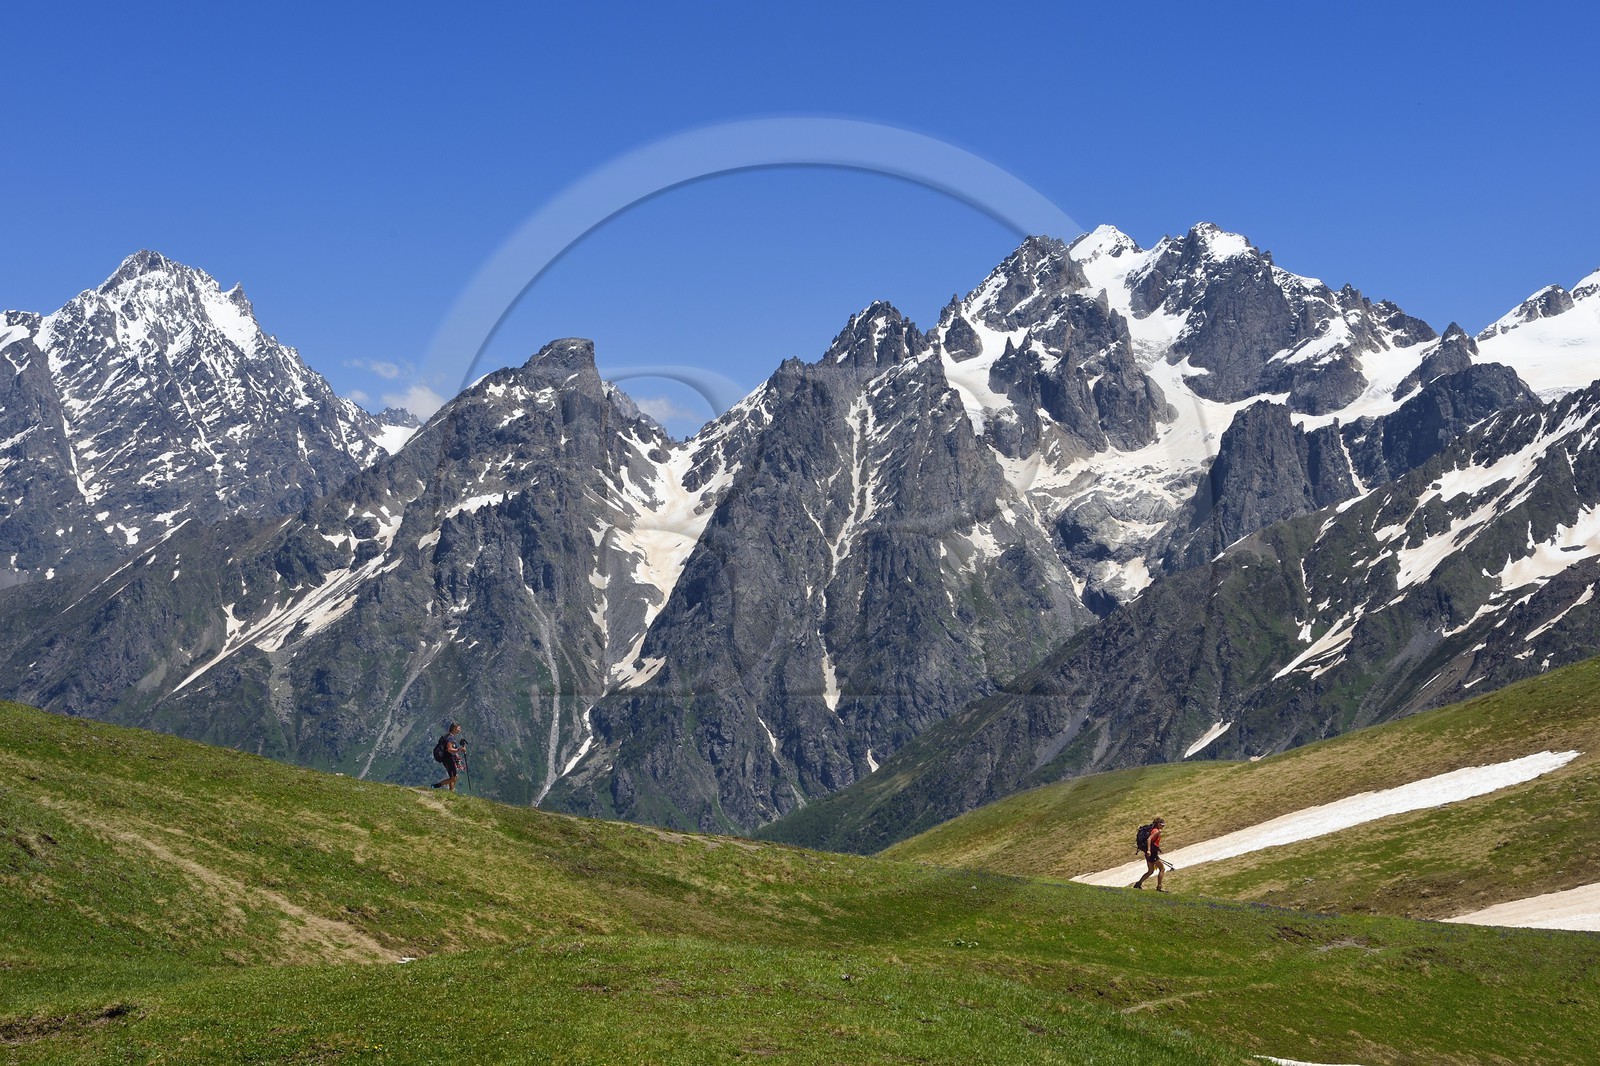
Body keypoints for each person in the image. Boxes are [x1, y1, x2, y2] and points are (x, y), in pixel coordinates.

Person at [1134, 816, 1167, 891]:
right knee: (1162, 869)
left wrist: (1148, 851)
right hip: (1152, 853)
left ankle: (1138, 884)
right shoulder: (1157, 831)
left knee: (1150, 871)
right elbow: (1149, 839)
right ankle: (1159, 887)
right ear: (1158, 824)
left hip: (1148, 853)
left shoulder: (1153, 829)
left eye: (1164, 825)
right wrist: (1149, 850)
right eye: (1162, 824)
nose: (1163, 826)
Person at [432, 722, 465, 791]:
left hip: (447, 759)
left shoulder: (448, 736)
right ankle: (436, 786)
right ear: (454, 728)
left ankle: (451, 792)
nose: (460, 729)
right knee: (454, 778)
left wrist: (456, 754)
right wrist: (459, 749)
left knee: (453, 777)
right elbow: (449, 749)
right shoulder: (450, 738)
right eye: (459, 728)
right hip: (448, 759)